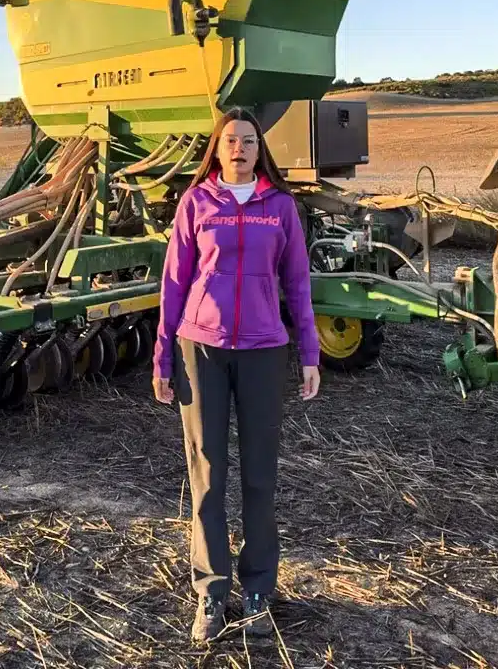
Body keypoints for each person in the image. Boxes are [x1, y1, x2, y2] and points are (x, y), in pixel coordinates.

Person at [152, 107, 322, 642]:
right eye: (231, 140)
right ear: (218, 148)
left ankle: (257, 589)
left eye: (249, 141)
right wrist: (162, 356)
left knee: (259, 476)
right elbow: (174, 282)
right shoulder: (196, 202)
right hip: (200, 348)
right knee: (207, 473)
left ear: (259, 149)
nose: (239, 148)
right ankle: (211, 591)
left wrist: (311, 352)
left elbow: (298, 283)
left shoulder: (281, 207)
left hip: (264, 350)